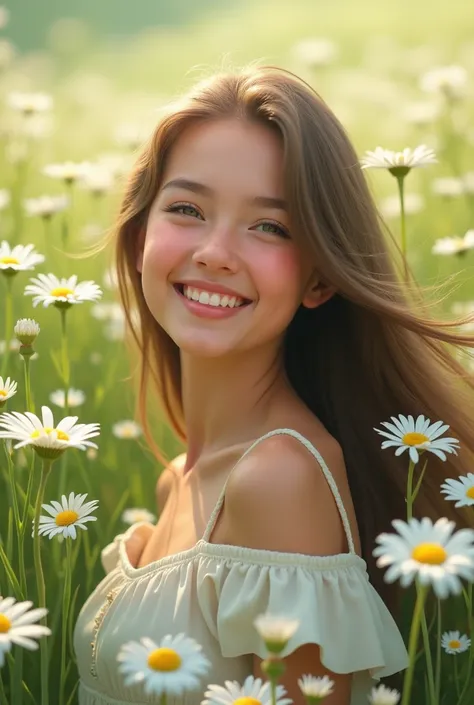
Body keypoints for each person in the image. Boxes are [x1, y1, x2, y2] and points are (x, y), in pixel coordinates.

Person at [73, 64, 474, 705]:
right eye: (186, 208)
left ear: (321, 279)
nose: (215, 251)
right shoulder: (180, 477)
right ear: (140, 231)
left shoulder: (279, 479)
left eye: (270, 226)